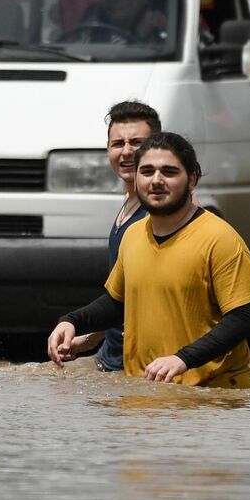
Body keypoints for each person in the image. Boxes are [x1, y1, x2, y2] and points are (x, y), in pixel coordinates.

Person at [47, 132, 250, 388]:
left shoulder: (221, 239)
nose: (156, 180)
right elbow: (118, 303)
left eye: (169, 172)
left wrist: (183, 359)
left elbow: (242, 318)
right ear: (136, 178)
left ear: (192, 179)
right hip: (146, 394)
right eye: (147, 171)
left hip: (213, 400)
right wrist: (72, 321)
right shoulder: (133, 234)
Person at [66, 100, 161, 372]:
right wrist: (89, 338)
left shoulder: (163, 213)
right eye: (118, 143)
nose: (127, 151)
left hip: (139, 368)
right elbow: (123, 297)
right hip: (108, 357)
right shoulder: (128, 203)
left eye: (137, 142)